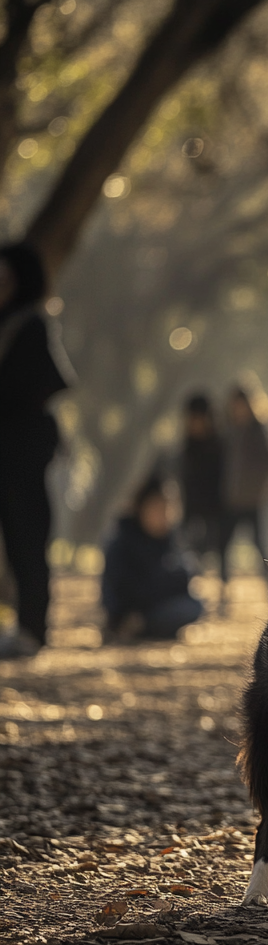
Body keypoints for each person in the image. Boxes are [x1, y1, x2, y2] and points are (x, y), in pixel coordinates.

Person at [0, 242, 72, 659]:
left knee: (27, 540)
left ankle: (32, 628)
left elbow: (40, 386)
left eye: (5, 277)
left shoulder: (31, 326)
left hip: (22, 453)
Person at [101, 475, 204, 642]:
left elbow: (184, 574)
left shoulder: (169, 540)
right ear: (141, 507)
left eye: (167, 508)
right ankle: (126, 629)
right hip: (128, 611)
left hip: (157, 608)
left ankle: (144, 629)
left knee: (193, 606)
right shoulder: (123, 541)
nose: (163, 514)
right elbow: (116, 588)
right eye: (157, 508)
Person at [220, 386, 268, 584]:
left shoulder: (257, 429)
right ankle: (223, 584)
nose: (238, 409)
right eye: (234, 405)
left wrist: (259, 487)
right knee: (224, 544)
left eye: (241, 405)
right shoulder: (228, 430)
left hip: (252, 500)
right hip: (231, 499)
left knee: (258, 544)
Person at [179, 393, 224, 563]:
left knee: (212, 546)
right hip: (190, 503)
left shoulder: (217, 445)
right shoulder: (187, 444)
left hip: (212, 503)